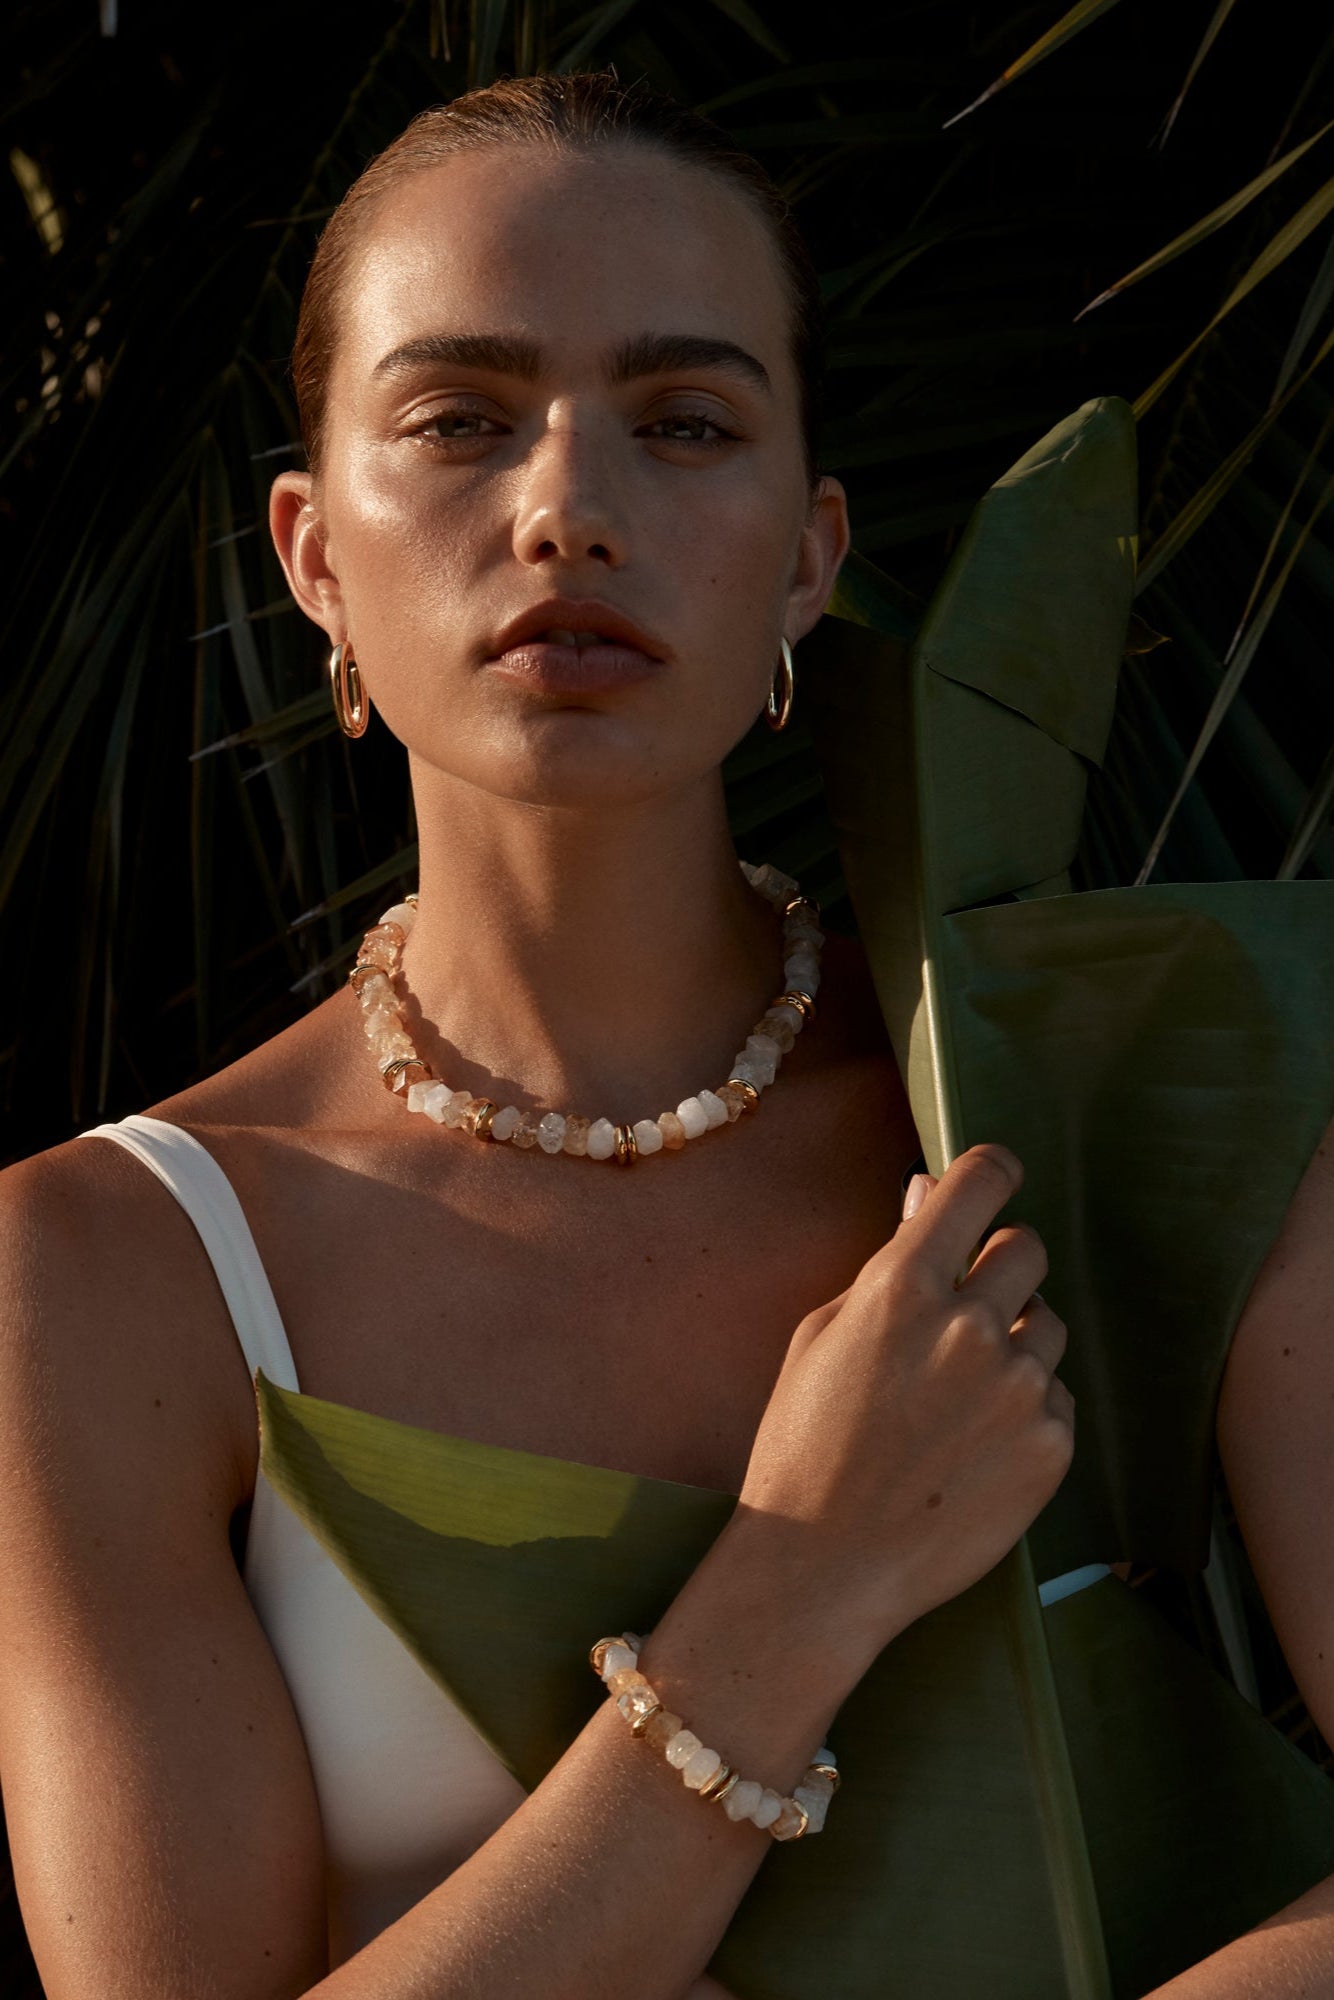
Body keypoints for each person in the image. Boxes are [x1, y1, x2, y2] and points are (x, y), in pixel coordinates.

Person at [0, 69, 1330, 2000]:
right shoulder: (111, 1271)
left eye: (686, 423)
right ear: (311, 557)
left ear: (806, 554)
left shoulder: (1133, 1102)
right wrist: (798, 1580)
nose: (568, 511)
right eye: (458, 420)